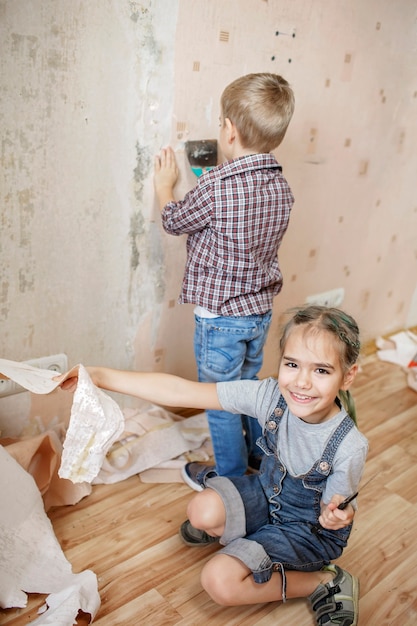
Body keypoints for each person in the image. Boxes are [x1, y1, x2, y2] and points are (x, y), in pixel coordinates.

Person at [57, 305, 368, 625]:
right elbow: (182, 391)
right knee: (201, 511)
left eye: (321, 370)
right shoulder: (269, 395)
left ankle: (324, 581)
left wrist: (338, 516)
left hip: (307, 530)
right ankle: (254, 541)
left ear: (348, 375)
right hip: (267, 496)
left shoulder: (349, 446)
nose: (301, 382)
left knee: (219, 581)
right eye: (292, 364)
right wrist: (98, 375)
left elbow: (339, 511)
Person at [153, 72, 295, 488]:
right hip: (259, 315)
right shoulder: (281, 186)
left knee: (218, 402)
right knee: (247, 388)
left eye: (220, 123)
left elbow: (175, 221)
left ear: (229, 131)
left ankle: (232, 479)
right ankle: (254, 454)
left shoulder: (215, 185)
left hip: (220, 322)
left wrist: (165, 187)